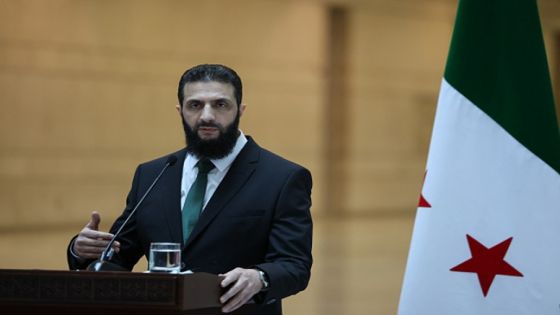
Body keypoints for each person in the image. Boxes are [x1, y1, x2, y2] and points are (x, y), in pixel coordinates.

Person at [66, 64, 313, 314]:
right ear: (180, 111)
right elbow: (117, 258)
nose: (207, 115)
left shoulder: (282, 177)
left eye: (220, 104)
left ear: (240, 109)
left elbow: (294, 266)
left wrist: (260, 277)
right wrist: (81, 250)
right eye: (195, 105)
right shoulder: (152, 174)